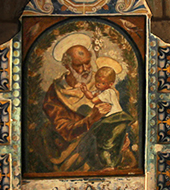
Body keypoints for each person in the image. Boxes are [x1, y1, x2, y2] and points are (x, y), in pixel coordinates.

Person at [39, 40, 134, 173]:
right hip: (72, 152)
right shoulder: (55, 92)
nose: (85, 69)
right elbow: (64, 130)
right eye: (78, 65)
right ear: (67, 66)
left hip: (104, 146)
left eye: (87, 63)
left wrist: (122, 136)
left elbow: (115, 115)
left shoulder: (102, 80)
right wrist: (90, 119)